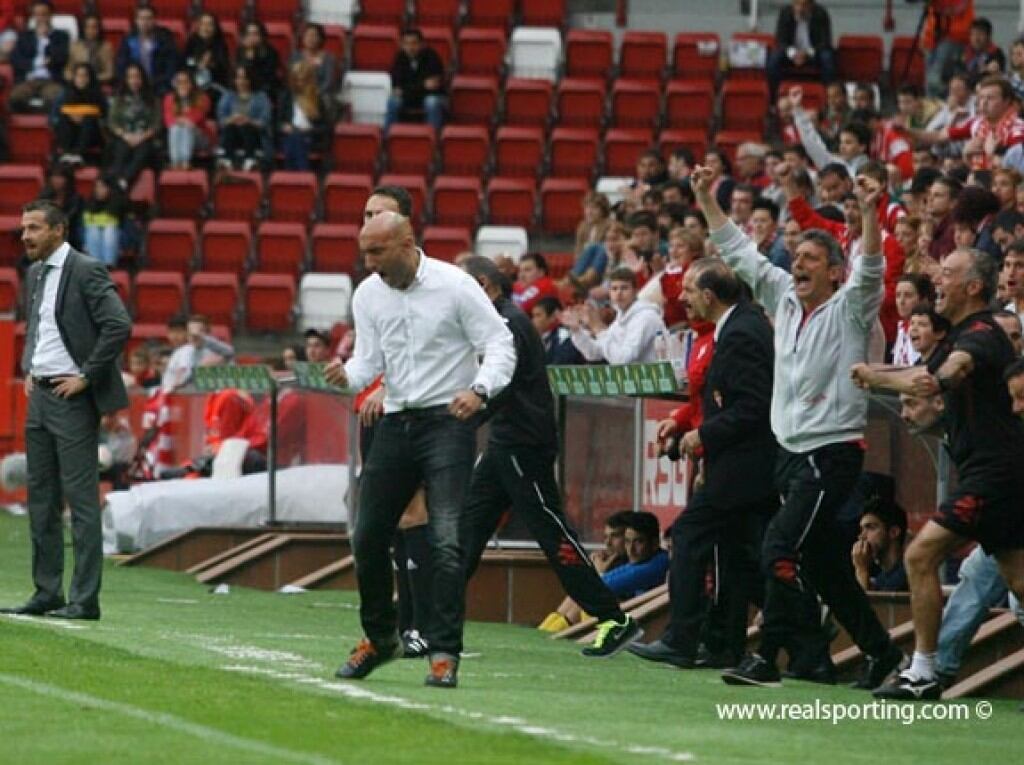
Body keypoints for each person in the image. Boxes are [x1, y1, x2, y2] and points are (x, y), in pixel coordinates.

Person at [690, 164, 903, 690]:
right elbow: (739, 252)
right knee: (826, 565)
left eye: (812, 258)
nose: (799, 264)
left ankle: (767, 656)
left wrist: (871, 212)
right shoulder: (783, 296)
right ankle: (880, 654)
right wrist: (705, 197)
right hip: (790, 453)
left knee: (778, 548)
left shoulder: (852, 307)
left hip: (830, 453)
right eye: (798, 257)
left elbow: (871, 268)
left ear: (835, 272)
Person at [325, 211, 515, 689]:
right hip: (396, 418)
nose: (369, 263)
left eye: (377, 252)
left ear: (407, 243)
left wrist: (481, 390)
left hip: (446, 421)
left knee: (447, 540)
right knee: (366, 536)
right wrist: (347, 376)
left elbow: (500, 342)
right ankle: (380, 637)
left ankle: (444, 650)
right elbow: (370, 358)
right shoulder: (368, 294)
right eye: (365, 252)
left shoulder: (455, 285)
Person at [852, 246, 1024, 699]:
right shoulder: (960, 331)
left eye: (948, 274)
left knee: (919, 555)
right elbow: (922, 374)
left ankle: (924, 670)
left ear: (973, 287)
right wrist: (880, 375)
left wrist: (883, 377)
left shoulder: (983, 333)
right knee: (1019, 581)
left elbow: (945, 373)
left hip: (995, 474)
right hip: (994, 473)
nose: (938, 283)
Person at [459, 255, 641, 656]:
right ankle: (433, 619)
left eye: (464, 287)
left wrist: (466, 416)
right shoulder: (503, 321)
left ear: (484, 287)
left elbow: (500, 385)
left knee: (553, 532)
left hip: (524, 443)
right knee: (468, 527)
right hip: (506, 441)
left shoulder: (506, 323)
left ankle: (613, 617)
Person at [631, 258, 777, 670]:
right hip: (735, 457)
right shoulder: (726, 329)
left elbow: (751, 406)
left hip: (744, 460)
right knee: (736, 554)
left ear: (710, 295)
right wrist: (682, 424)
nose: (683, 298)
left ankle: (681, 637)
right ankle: (734, 642)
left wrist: (702, 435)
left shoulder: (741, 332)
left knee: (691, 534)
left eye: (690, 291)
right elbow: (708, 400)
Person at [0, 200, 130, 621]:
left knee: (80, 501)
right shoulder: (35, 273)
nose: (25, 236)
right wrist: (29, 369)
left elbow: (118, 324)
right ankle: (47, 591)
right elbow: (40, 325)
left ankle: (84, 599)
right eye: (24, 228)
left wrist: (87, 377)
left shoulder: (87, 269)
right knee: (41, 500)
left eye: (34, 228)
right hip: (40, 394)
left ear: (58, 230)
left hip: (72, 398)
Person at [547, 511, 668, 627]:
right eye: (627, 541)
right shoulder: (638, 561)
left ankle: (550, 634)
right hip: (634, 617)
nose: (630, 549)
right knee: (583, 597)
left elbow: (602, 586)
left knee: (590, 600)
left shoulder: (658, 563)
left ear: (655, 543)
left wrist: (599, 571)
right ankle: (547, 631)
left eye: (639, 542)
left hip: (645, 624)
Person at [562, 267, 667, 364]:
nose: (619, 293)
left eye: (624, 288)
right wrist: (576, 331)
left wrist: (598, 328)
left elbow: (623, 360)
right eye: (614, 289)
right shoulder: (620, 318)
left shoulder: (646, 317)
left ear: (635, 291)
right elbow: (594, 354)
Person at [789, 87, 870, 177]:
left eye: (848, 142)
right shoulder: (836, 164)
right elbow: (813, 143)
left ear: (862, 147)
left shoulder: (870, 171)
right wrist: (798, 109)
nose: (842, 146)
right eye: (841, 142)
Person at [105, 63, 160, 191]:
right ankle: (116, 178)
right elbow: (112, 122)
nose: (134, 81)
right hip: (124, 136)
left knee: (144, 149)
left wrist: (142, 137)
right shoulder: (118, 99)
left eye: (137, 77)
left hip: (145, 137)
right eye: (130, 77)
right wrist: (125, 135)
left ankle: (125, 179)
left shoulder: (153, 99)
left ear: (142, 79)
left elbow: (157, 124)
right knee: (121, 148)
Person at [9, 0, 69, 113]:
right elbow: (15, 59)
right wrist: (34, 63)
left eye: (44, 14)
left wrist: (45, 39)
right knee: (15, 98)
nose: (41, 18)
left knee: (57, 98)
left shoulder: (61, 36)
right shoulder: (25, 36)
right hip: (28, 80)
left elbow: (61, 58)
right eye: (37, 15)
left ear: (51, 15)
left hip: (51, 81)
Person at [766, 0, 835, 96]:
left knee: (827, 58)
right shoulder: (785, 13)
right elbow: (780, 40)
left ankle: (828, 98)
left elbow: (825, 42)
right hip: (790, 54)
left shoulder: (821, 14)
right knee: (774, 59)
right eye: (797, 4)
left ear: (811, 5)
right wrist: (793, 53)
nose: (800, 9)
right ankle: (774, 99)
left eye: (804, 5)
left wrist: (807, 53)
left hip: (814, 54)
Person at [385, 28, 445, 132]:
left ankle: (432, 139)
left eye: (414, 43)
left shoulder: (432, 57)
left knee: (431, 102)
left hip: (430, 97)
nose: (410, 47)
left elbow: (433, 87)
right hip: (409, 98)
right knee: (393, 102)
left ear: (421, 44)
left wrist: (407, 89)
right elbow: (397, 86)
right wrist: (422, 86)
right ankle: (389, 139)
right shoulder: (399, 58)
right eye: (406, 44)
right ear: (402, 45)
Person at [114, 4, 180, 96]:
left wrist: (159, 82)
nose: (145, 22)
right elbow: (121, 65)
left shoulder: (165, 39)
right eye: (141, 18)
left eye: (149, 18)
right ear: (136, 21)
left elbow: (171, 66)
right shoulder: (128, 39)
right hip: (133, 85)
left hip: (159, 86)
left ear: (154, 20)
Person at [216, 65, 272, 171]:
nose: (241, 81)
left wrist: (249, 120)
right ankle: (227, 160)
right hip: (232, 134)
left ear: (250, 80)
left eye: (244, 78)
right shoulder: (228, 96)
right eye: (238, 78)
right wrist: (231, 119)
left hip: (255, 135)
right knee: (231, 127)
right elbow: (221, 120)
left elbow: (265, 122)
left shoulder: (261, 97)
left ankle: (250, 159)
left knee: (246, 126)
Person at [162, 314, 235, 392]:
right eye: (191, 332)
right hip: (185, 397)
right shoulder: (179, 353)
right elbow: (168, 382)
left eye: (200, 331)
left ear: (208, 333)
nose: (195, 335)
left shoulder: (220, 352)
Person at [277, 60, 327, 171]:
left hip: (309, 137)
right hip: (290, 134)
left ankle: (292, 175)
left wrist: (309, 129)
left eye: (303, 80)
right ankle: (302, 175)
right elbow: (277, 123)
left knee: (297, 139)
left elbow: (324, 127)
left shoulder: (316, 99)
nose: (300, 84)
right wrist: (283, 126)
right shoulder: (286, 97)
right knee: (294, 138)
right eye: (297, 80)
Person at [52, 62, 105, 166]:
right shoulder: (65, 94)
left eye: (84, 76)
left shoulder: (97, 94)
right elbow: (54, 117)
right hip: (70, 132)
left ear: (90, 78)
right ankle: (66, 153)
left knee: (89, 118)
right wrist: (71, 116)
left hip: (91, 134)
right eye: (78, 76)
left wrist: (84, 116)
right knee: (64, 118)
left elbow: (104, 116)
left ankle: (78, 154)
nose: (81, 79)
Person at [851, 502, 909, 592]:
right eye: (862, 529)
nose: (862, 536)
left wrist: (861, 569)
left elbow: (864, 605)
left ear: (894, 532)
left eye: (870, 528)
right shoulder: (881, 579)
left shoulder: (906, 575)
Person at [163, 69, 211, 170]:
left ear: (192, 83)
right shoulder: (169, 99)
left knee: (187, 127)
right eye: (179, 82)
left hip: (200, 138)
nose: (182, 85)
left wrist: (182, 119)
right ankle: (175, 162)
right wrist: (180, 120)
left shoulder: (202, 98)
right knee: (175, 128)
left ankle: (186, 162)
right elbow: (168, 121)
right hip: (178, 137)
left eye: (186, 82)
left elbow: (196, 119)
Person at [82, 175, 129, 268]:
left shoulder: (120, 204)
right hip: (91, 241)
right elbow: (83, 227)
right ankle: (95, 265)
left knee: (109, 230)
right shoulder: (89, 204)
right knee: (93, 230)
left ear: (110, 189)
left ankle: (108, 265)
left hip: (119, 240)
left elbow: (127, 229)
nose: (98, 190)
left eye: (102, 187)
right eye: (97, 187)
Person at [183, 12, 230, 103]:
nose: (206, 28)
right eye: (203, 24)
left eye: (210, 24)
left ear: (215, 28)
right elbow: (185, 65)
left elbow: (224, 70)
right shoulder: (191, 43)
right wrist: (198, 66)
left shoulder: (220, 45)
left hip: (214, 85)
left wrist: (210, 65)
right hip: (192, 84)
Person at [531, 297, 585, 365]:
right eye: (533, 316)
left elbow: (560, 364)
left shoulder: (564, 336)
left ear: (553, 316)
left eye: (538, 315)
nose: (533, 320)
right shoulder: (537, 339)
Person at [64, 13, 113, 86]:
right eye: (88, 27)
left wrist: (90, 78)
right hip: (77, 84)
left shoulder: (106, 47)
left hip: (98, 84)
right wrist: (77, 78)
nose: (91, 30)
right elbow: (67, 71)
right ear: (83, 28)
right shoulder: (74, 46)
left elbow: (110, 73)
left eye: (94, 27)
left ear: (99, 28)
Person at [235, 21, 281, 97]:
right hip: (242, 86)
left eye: (255, 34)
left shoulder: (270, 52)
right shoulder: (240, 51)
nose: (252, 37)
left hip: (264, 89)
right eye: (248, 34)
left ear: (262, 36)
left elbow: (267, 77)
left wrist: (252, 59)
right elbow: (237, 72)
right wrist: (248, 57)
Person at [289, 23, 337, 94]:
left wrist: (315, 93)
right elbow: (292, 78)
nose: (310, 38)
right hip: (299, 94)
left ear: (320, 39)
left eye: (314, 35)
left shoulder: (328, 59)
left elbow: (328, 82)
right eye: (308, 35)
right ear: (303, 38)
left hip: (320, 95)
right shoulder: (296, 56)